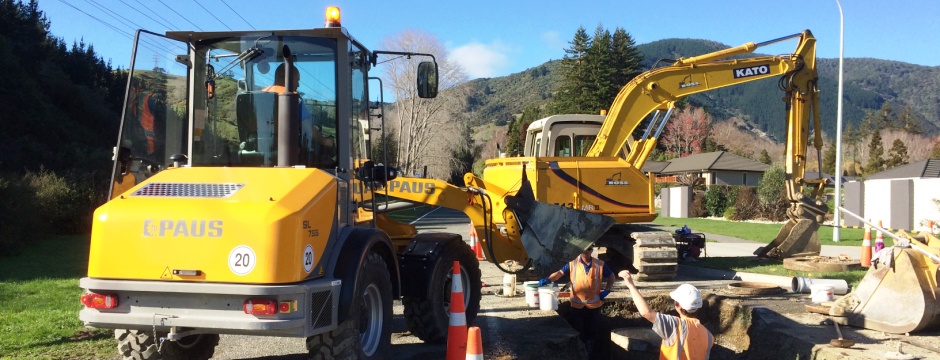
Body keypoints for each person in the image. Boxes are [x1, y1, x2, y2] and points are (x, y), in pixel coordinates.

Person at [619, 270, 714, 360]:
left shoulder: (674, 325)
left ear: (677, 306)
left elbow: (646, 312)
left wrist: (631, 285)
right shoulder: (709, 336)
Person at [538, 245, 616, 353]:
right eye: (583, 250)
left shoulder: (599, 264)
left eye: (588, 249)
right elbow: (559, 274)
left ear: (591, 250)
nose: (585, 252)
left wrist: (607, 290)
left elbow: (612, 276)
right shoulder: (573, 264)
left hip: (593, 307)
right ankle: (580, 351)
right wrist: (548, 280)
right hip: (577, 306)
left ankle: (590, 351)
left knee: (592, 332)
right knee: (578, 331)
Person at [263, 63, 334, 151]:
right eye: (296, 81)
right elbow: (307, 127)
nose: (298, 85)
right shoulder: (293, 99)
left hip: (260, 149)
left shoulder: (260, 95)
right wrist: (325, 141)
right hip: (288, 152)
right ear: (286, 79)